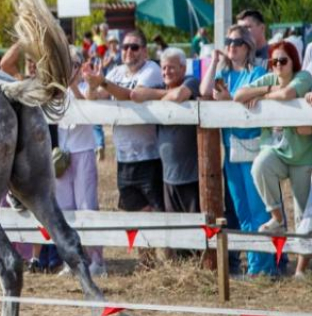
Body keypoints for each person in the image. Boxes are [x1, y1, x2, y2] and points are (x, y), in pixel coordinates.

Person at [200, 25, 273, 276]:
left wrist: (229, 100)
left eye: (238, 42)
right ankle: (253, 264)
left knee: (258, 210)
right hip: (231, 150)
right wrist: (214, 61)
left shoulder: (258, 73)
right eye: (229, 42)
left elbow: (248, 105)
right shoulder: (224, 74)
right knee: (241, 210)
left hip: (253, 149)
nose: (232, 46)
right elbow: (203, 91)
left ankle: (263, 267)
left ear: (248, 47)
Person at [236, 42, 312, 277]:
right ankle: (277, 217)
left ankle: (301, 269)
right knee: (259, 166)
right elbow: (239, 95)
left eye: (283, 60)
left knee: (304, 214)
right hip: (275, 150)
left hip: (302, 156)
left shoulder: (303, 77)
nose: (278, 65)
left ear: (293, 61)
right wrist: (263, 91)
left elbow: (288, 94)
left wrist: (265, 95)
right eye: (274, 61)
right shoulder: (269, 78)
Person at [84, 29, 165, 215]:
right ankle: (146, 245)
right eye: (125, 47)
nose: (128, 51)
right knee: (134, 209)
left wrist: (102, 82)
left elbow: (131, 96)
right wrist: (91, 83)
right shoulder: (117, 72)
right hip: (123, 157)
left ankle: (162, 245)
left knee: (158, 211)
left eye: (134, 47)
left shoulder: (151, 69)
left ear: (145, 51)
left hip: (150, 156)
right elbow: (94, 97)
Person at [132, 48, 201, 216]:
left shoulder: (192, 81)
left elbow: (179, 95)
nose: (166, 72)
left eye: (171, 67)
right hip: (168, 177)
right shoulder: (160, 86)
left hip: (192, 177)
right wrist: (165, 95)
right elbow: (137, 94)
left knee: (197, 228)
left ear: (183, 68)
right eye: (163, 68)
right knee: (175, 229)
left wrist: (156, 97)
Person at [56, 51, 103, 277]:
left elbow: (88, 109)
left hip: (83, 150)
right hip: (62, 156)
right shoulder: (56, 89)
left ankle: (96, 259)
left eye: (75, 65)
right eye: (67, 65)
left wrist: (74, 84)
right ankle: (72, 259)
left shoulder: (88, 86)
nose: (71, 69)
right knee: (65, 207)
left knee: (87, 205)